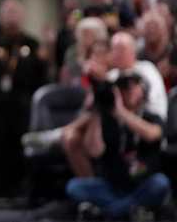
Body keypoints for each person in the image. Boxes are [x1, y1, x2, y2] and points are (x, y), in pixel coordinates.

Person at [65, 70, 170, 220]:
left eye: (132, 87)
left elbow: (152, 134)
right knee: (74, 187)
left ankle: (109, 212)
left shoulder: (151, 117)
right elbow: (94, 150)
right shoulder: (107, 119)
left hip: (142, 184)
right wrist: (96, 111)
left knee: (161, 183)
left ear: (144, 90)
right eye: (123, 88)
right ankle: (129, 209)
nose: (127, 92)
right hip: (112, 185)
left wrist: (121, 112)